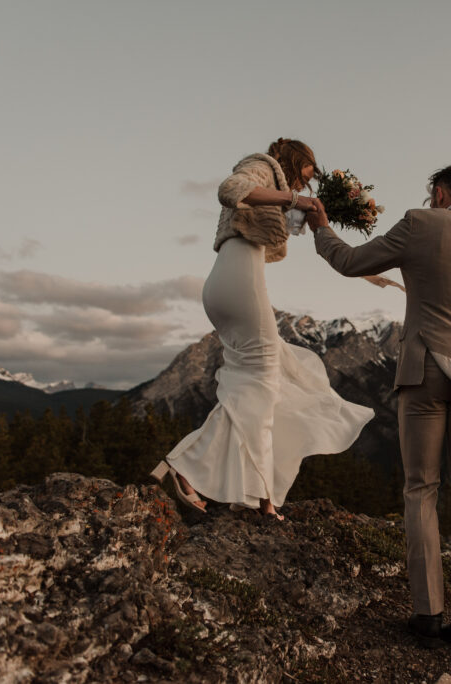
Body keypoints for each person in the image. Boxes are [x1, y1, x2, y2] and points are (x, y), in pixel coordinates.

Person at [306, 163, 451, 648]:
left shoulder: (419, 223)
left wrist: (322, 228)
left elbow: (349, 261)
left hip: (423, 370)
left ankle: (427, 613)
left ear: (442, 192)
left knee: (420, 488)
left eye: (433, 195)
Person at [150, 138, 374, 520]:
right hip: (239, 278)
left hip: (228, 280)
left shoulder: (277, 189)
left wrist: (338, 208)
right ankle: (190, 467)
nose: (307, 183)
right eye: (308, 171)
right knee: (264, 382)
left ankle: (253, 495)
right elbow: (230, 190)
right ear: (295, 160)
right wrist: (294, 200)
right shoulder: (261, 165)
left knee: (255, 385)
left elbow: (293, 217)